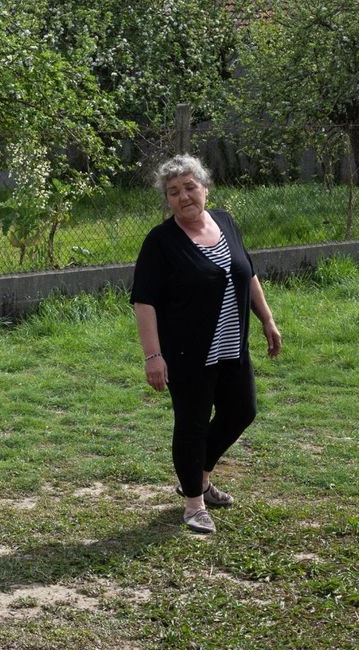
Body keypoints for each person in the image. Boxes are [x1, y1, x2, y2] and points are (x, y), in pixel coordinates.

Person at [130, 155, 281, 534]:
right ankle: (193, 503)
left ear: (205, 188)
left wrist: (267, 319)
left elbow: (248, 273)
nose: (183, 197)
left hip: (233, 346)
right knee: (192, 424)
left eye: (189, 187)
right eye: (173, 192)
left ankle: (199, 476)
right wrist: (153, 355)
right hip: (187, 352)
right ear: (167, 200)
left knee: (241, 411)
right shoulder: (161, 242)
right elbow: (143, 301)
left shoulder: (226, 222)